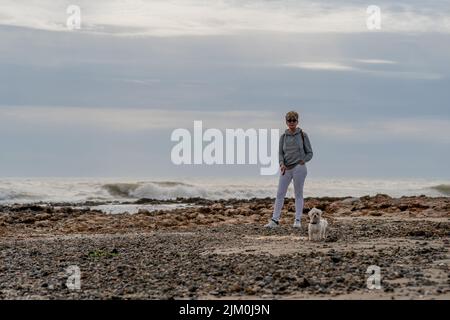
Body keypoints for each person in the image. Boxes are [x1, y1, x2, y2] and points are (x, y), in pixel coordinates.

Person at [265, 111, 313, 228]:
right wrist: (281, 163)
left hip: (299, 168)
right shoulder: (283, 136)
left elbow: (310, 153)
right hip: (286, 168)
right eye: (289, 120)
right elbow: (280, 153)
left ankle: (297, 220)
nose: (291, 122)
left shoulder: (303, 135)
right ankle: (275, 220)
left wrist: (303, 160)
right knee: (280, 193)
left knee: (298, 193)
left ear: (297, 121)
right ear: (286, 122)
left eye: (294, 120)